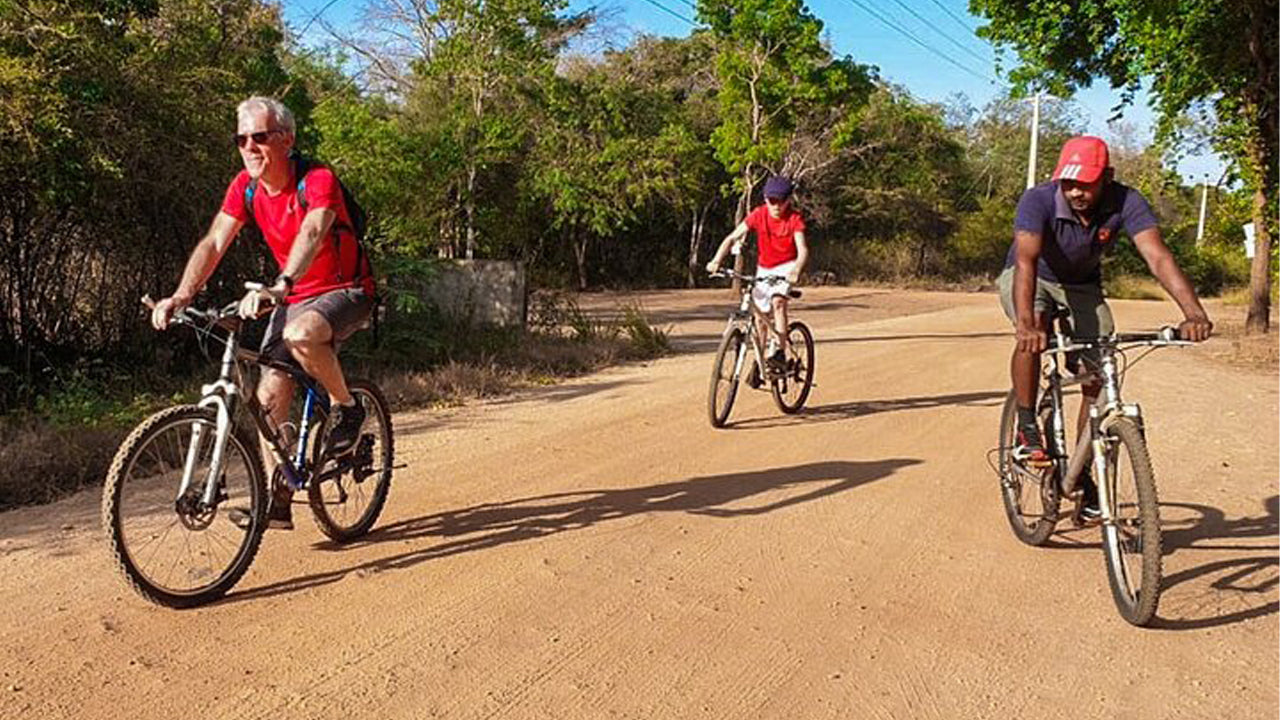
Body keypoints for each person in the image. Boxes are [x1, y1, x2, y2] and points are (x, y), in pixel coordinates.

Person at [150, 96, 376, 529]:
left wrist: (281, 285)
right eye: (241, 139)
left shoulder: (317, 178)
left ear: (286, 139)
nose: (249, 147)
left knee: (301, 335)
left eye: (260, 136)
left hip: (345, 289)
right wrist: (181, 296)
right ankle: (279, 495)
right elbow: (215, 242)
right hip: (290, 296)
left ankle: (346, 407)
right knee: (269, 396)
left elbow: (314, 228)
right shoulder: (245, 187)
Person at [998, 135, 1212, 518]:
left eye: (1087, 183)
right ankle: (1027, 424)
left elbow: (1157, 256)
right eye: (1070, 183)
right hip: (1033, 278)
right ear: (1058, 177)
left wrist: (1193, 312)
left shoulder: (1126, 201)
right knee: (1035, 333)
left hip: (1083, 286)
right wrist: (1028, 323)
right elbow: (1027, 261)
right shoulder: (1038, 200)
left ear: (1107, 178)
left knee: (1099, 373)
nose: (1077, 192)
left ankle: (1080, 473)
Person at [706, 176, 809, 373]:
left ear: (788, 200)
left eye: (781, 200)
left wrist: (796, 269)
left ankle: (779, 351)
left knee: (778, 303)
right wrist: (717, 260)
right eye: (772, 200)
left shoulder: (794, 219)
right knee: (760, 319)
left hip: (787, 266)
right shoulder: (758, 215)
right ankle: (760, 363)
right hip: (764, 267)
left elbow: (802, 249)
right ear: (765, 199)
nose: (776, 205)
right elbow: (732, 237)